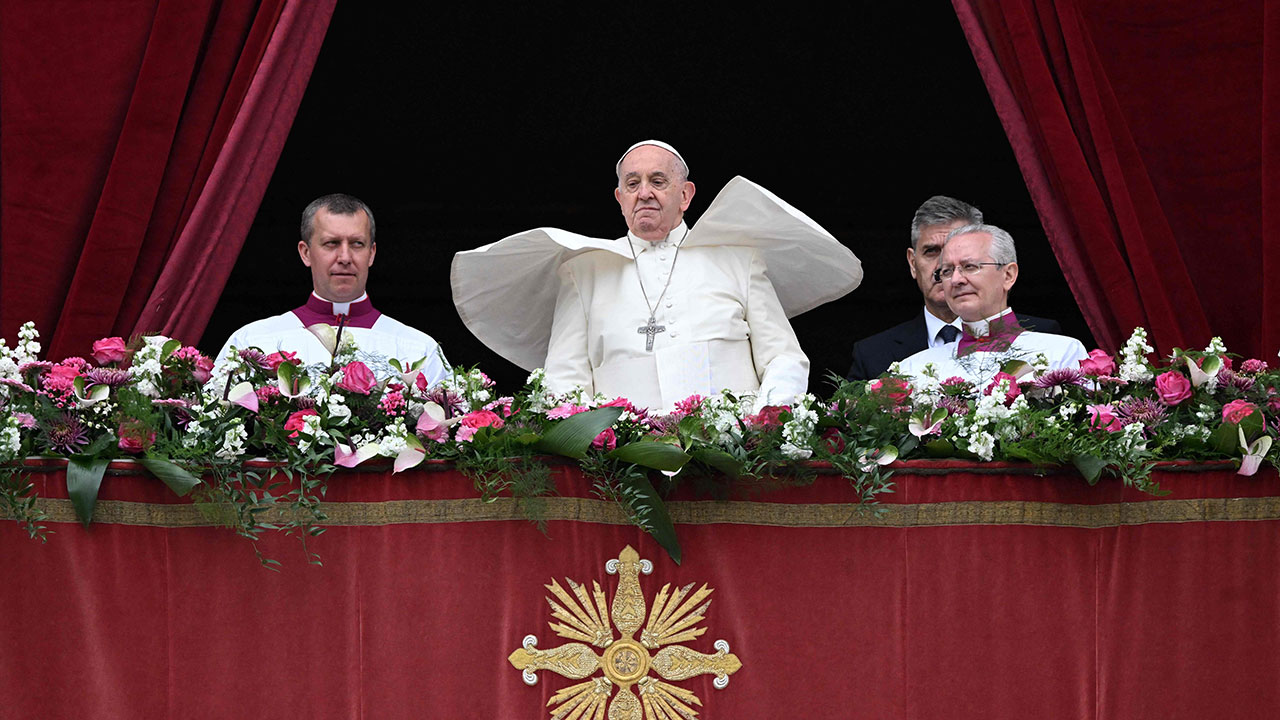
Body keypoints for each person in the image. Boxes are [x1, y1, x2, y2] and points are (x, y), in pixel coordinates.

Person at [450, 140, 862, 413]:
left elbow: (783, 357)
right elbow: (566, 380)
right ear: (619, 198)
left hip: (731, 468)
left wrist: (765, 423)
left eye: (658, 181)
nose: (644, 192)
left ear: (685, 195)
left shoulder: (738, 260)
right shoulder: (583, 272)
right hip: (623, 477)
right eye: (633, 183)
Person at [212, 193, 449, 383]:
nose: (345, 257)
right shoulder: (253, 341)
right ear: (305, 253)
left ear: (371, 254)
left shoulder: (419, 348)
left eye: (357, 244)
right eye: (331, 243)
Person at [845, 196, 1059, 380]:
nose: (944, 268)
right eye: (931, 251)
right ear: (912, 263)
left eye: (964, 257)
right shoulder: (873, 355)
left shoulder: (1044, 339)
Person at [896, 224, 1086, 385]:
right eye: (946, 271)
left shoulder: (1061, 354)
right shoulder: (914, 370)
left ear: (1008, 275)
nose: (955, 279)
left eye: (970, 267)